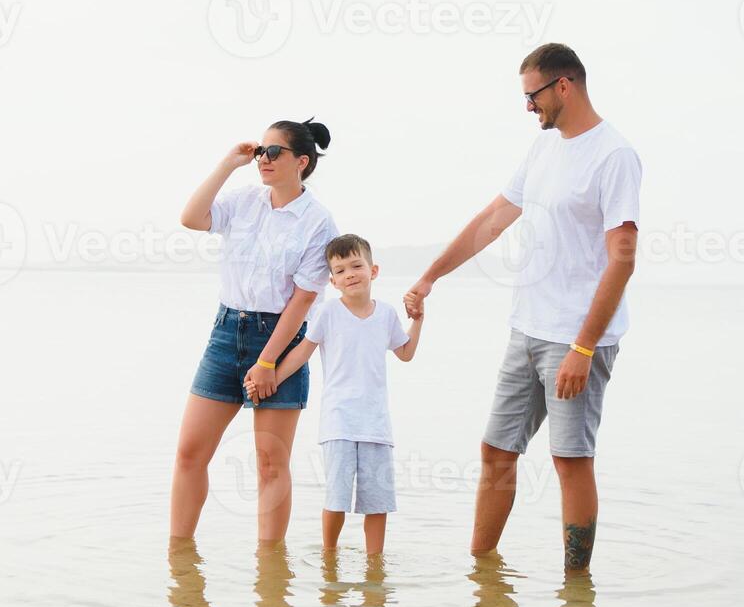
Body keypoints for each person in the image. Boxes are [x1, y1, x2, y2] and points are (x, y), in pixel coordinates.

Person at [404, 44, 641, 572]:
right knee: (495, 452)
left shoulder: (614, 155)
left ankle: (576, 594)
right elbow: (492, 220)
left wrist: (583, 347)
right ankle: (481, 572)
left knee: (570, 461)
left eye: (532, 95)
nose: (527, 107)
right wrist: (430, 276)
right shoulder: (543, 151)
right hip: (526, 329)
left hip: (577, 338)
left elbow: (621, 261)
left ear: (564, 86)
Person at [171, 119, 340, 544]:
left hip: (280, 340)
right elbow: (191, 218)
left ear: (301, 161)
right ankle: (180, 561)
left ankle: (270, 573)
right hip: (226, 332)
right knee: (191, 452)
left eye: (274, 152)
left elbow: (303, 300)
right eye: (261, 150)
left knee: (270, 463)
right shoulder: (244, 199)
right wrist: (229, 163)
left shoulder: (318, 222)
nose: (263, 159)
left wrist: (269, 362)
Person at [258, 234, 423, 555]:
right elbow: (301, 353)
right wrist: (271, 378)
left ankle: (375, 565)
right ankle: (329, 556)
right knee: (336, 497)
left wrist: (418, 321)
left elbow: (405, 352)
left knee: (377, 502)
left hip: (376, 424)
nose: (350, 274)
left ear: (373, 270)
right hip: (339, 422)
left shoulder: (386, 314)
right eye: (341, 270)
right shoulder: (327, 313)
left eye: (356, 266)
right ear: (332, 281)